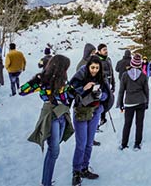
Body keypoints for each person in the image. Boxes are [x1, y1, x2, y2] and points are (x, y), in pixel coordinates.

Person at [19, 55, 75, 186]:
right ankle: (46, 182)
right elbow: (21, 91)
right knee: (54, 150)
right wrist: (35, 81)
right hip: (52, 116)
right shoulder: (43, 81)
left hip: (63, 115)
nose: (67, 70)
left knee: (55, 148)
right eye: (66, 67)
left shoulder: (63, 79)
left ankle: (46, 181)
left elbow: (68, 91)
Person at [69, 56, 113, 185]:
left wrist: (101, 95)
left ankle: (84, 168)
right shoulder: (80, 76)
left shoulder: (102, 78)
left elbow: (107, 95)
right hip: (82, 113)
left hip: (95, 112)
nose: (94, 70)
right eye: (92, 67)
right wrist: (85, 88)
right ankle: (76, 171)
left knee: (89, 143)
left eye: (97, 68)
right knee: (81, 144)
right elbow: (71, 92)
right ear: (88, 66)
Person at [117, 53, 149, 150]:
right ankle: (137, 144)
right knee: (139, 124)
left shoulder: (125, 75)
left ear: (131, 64)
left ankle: (124, 144)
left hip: (129, 102)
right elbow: (146, 91)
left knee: (127, 124)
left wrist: (120, 104)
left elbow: (121, 91)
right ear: (139, 65)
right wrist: (147, 102)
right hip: (141, 102)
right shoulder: (143, 76)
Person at [95, 43, 115, 127]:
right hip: (101, 84)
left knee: (106, 101)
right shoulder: (97, 61)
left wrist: (113, 84)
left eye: (106, 49)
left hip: (108, 83)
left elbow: (112, 72)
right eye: (104, 50)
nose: (106, 51)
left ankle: (102, 118)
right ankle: (97, 120)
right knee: (100, 102)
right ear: (99, 51)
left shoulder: (108, 59)